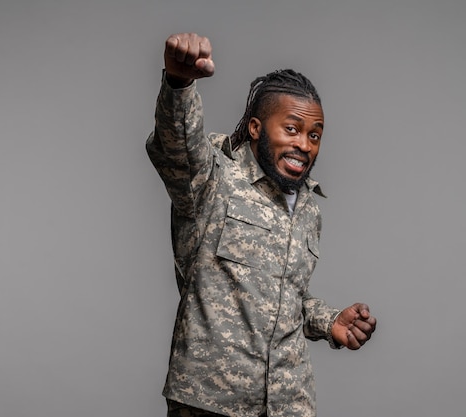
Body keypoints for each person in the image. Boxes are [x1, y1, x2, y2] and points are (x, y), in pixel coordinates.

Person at [146, 32, 377, 417]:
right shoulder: (212, 179)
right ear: (255, 128)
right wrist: (179, 84)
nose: (305, 144)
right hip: (211, 402)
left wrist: (329, 320)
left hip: (289, 405)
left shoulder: (307, 209)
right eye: (292, 129)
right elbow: (175, 147)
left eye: (314, 135)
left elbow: (287, 300)